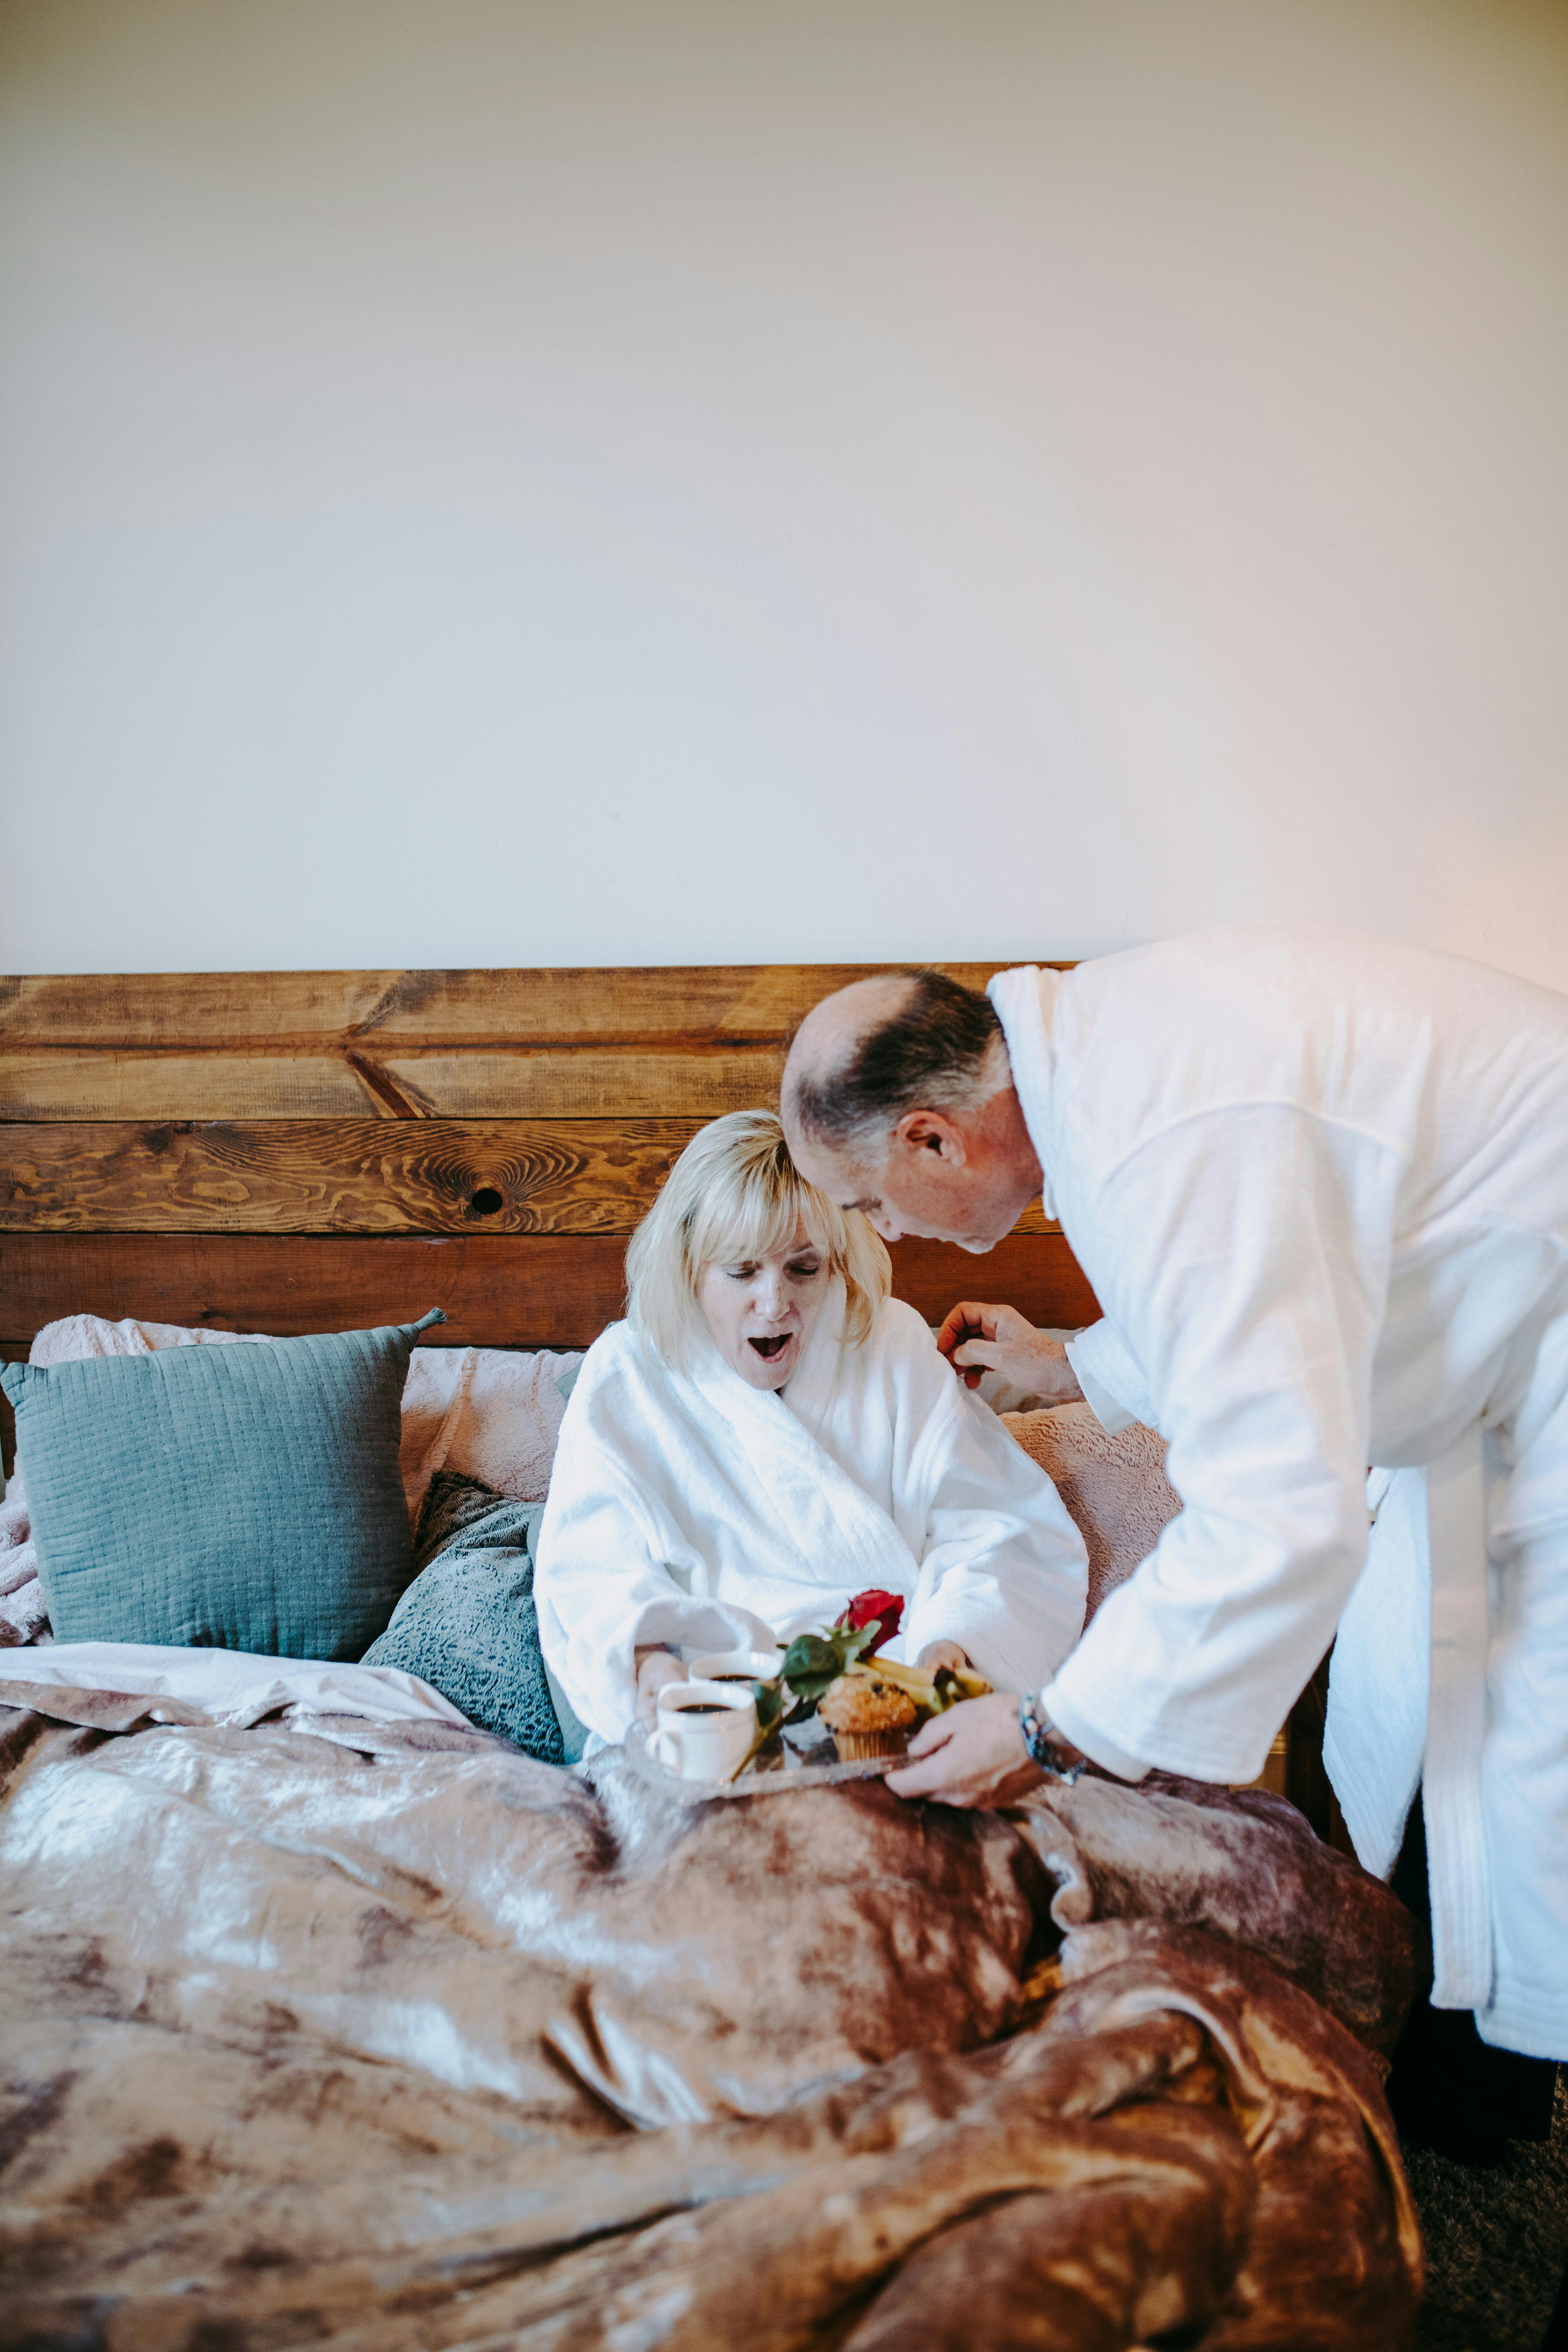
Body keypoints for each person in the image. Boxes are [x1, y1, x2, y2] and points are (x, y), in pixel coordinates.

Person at [781, 927, 1568, 2085]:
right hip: (1506, 1349)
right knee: (1453, 1719)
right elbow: (1264, 1310)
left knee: (1532, 1746)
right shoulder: (1113, 1056)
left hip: (1541, 1358)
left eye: (870, 1200)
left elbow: (1273, 1513)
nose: (885, 1232)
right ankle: (1476, 2085)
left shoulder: (1160, 1134)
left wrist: (1050, 1728)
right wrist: (1079, 1367)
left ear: (931, 1134)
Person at [533, 1109, 1088, 1744]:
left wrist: (953, 1649)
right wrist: (646, 1661)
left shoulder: (891, 1343)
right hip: (715, 1709)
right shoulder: (629, 1373)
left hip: (894, 1699)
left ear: (836, 1260)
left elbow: (1001, 1528)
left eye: (803, 1269)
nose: (775, 1304)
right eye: (741, 1271)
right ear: (689, 1265)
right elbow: (590, 1569)